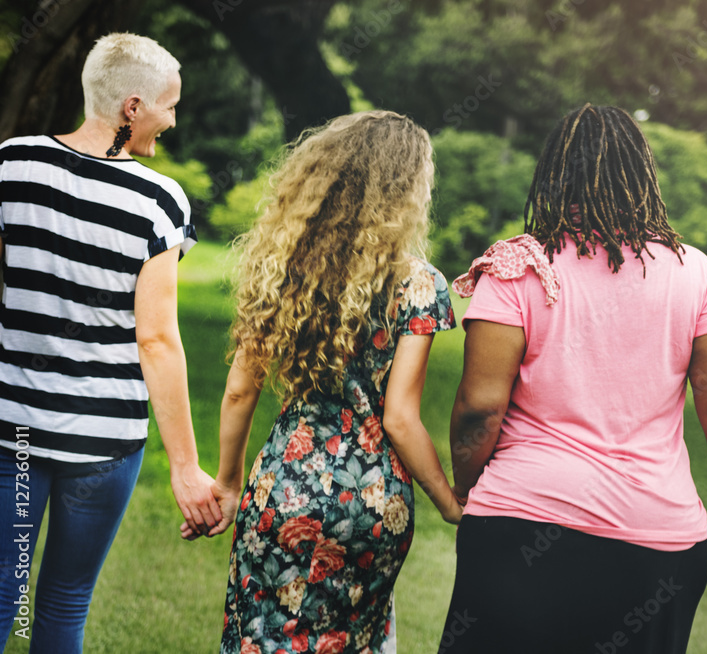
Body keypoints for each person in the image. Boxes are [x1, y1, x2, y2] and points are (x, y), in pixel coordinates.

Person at [440, 104, 707, 654]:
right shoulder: (695, 273)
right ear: (642, 173)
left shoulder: (519, 265)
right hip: (655, 546)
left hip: (520, 525)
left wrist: (464, 488)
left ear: (554, 174)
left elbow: (481, 408)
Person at [192, 110, 463, 654]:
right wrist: (450, 503)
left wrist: (227, 481)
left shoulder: (282, 267)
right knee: (355, 639)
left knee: (262, 637)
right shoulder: (419, 284)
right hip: (372, 504)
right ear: (406, 190)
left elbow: (240, 390)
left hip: (284, 488)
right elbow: (400, 418)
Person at [0, 32, 219, 652]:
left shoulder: (12, 164)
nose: (172, 119)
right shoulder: (158, 200)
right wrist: (185, 468)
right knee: (66, 604)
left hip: (10, 425)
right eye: (168, 105)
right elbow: (156, 340)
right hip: (103, 440)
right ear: (132, 106)